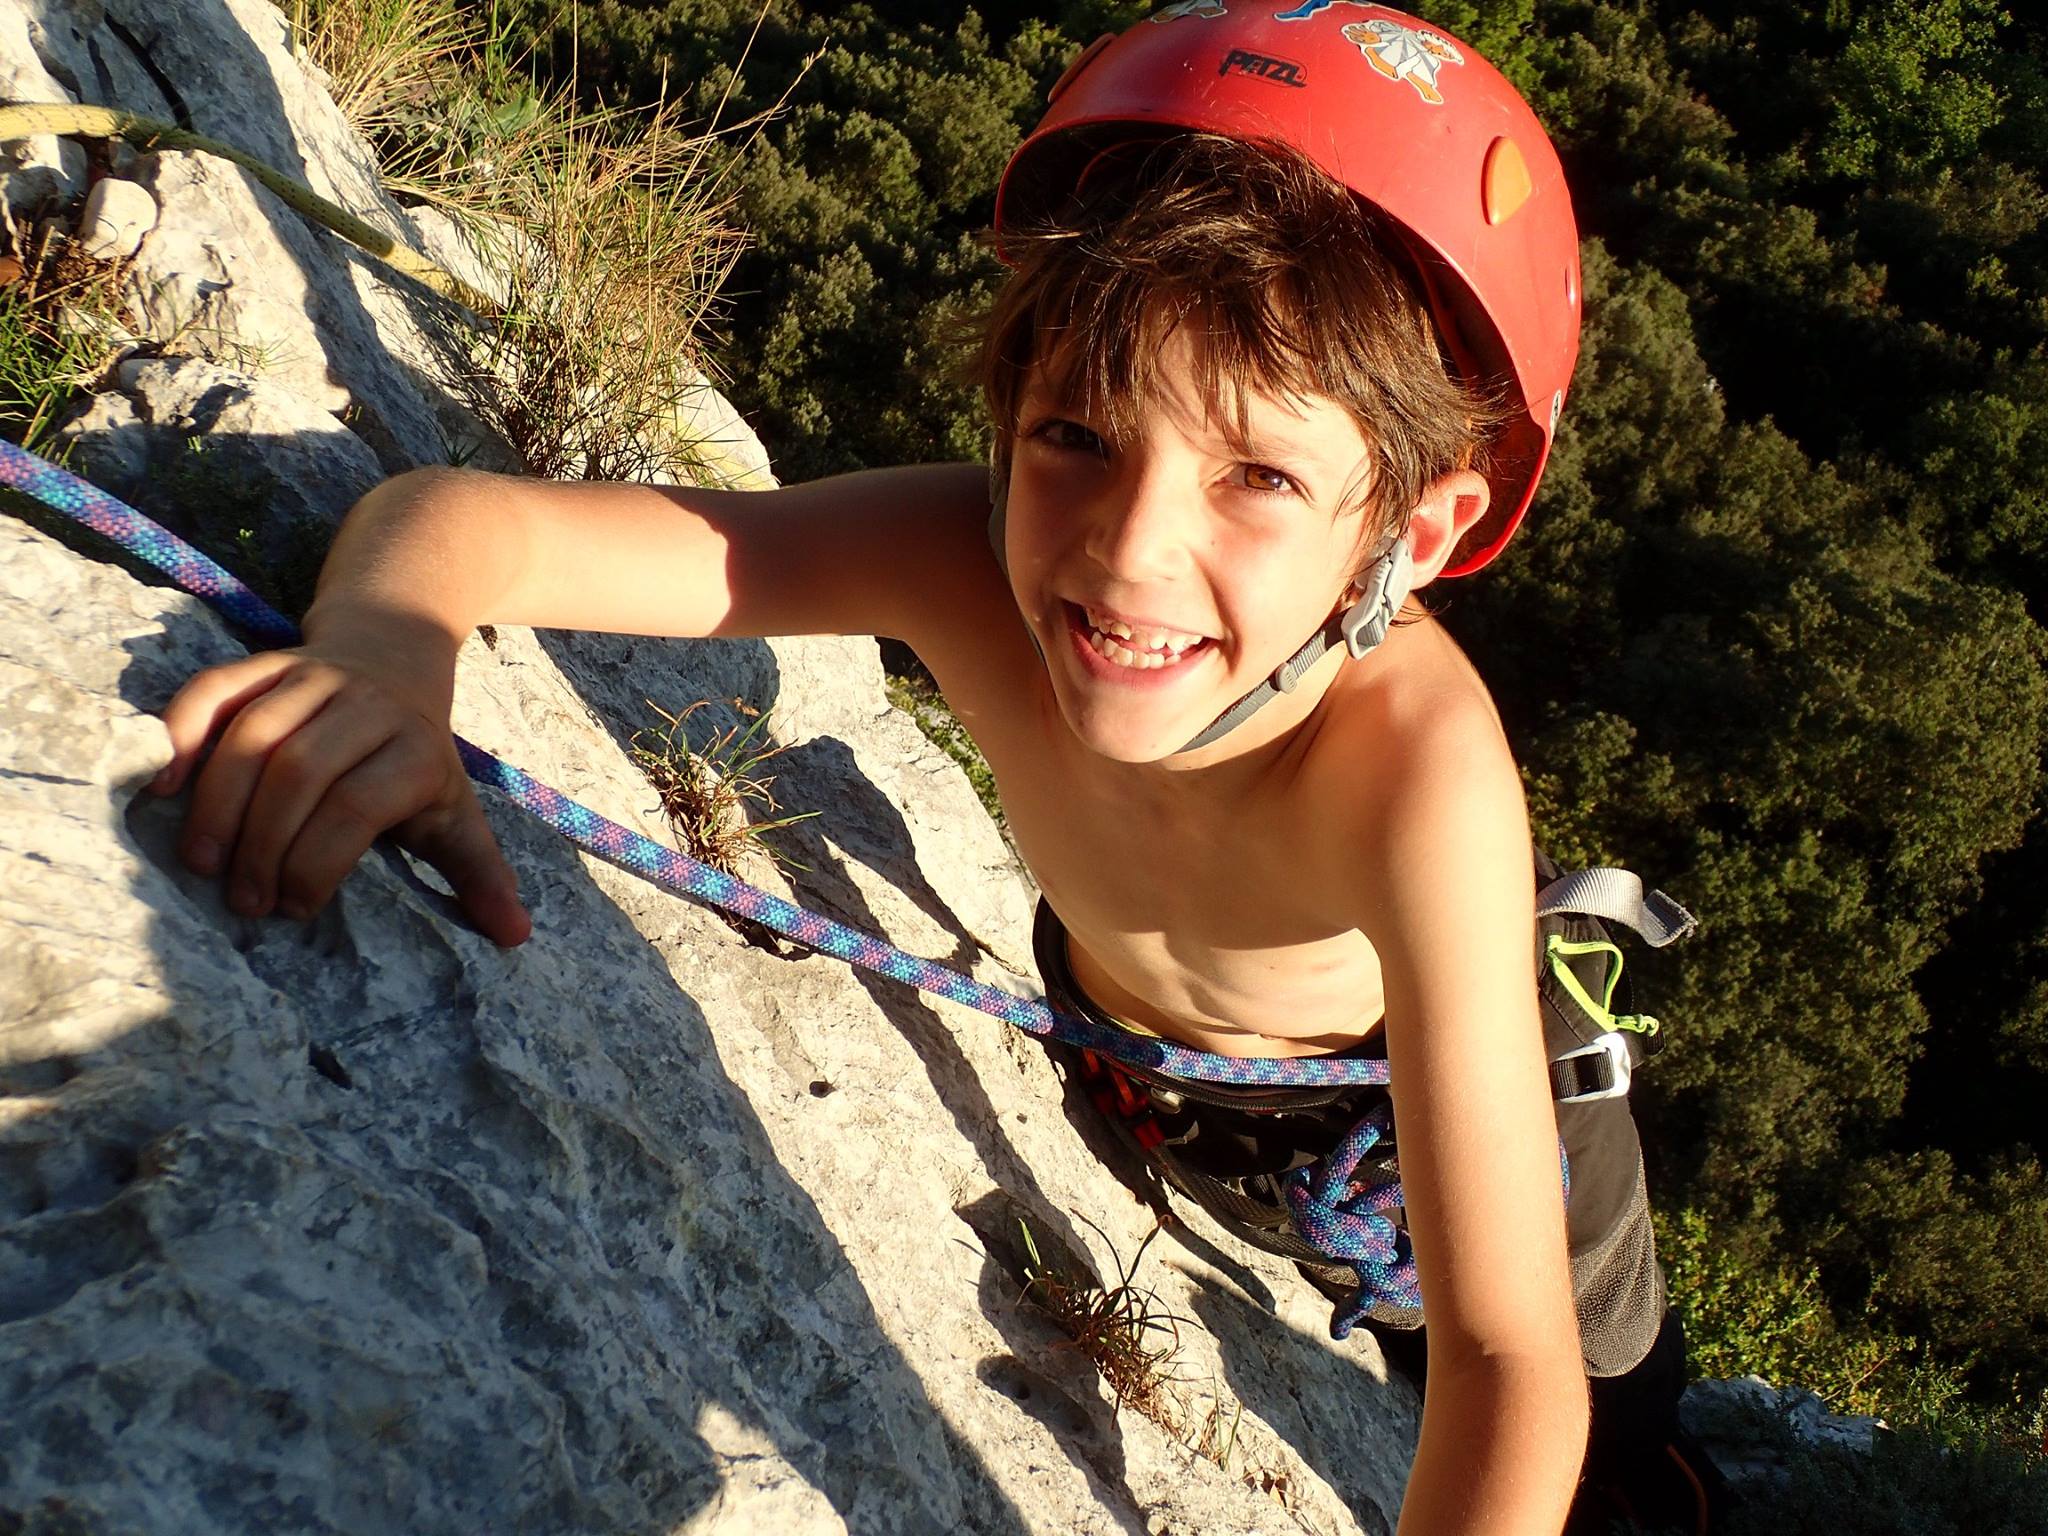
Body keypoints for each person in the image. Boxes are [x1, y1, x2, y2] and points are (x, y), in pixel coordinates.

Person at [151, 7, 1715, 1532]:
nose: (1128, 551)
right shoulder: (952, 564)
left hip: (1399, 1104)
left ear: (1412, 533)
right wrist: (383, 649)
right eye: (1078, 438)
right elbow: (469, 523)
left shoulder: (1415, 777)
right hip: (1142, 1062)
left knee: (1607, 1411)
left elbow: (1514, 1356)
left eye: (1257, 476)